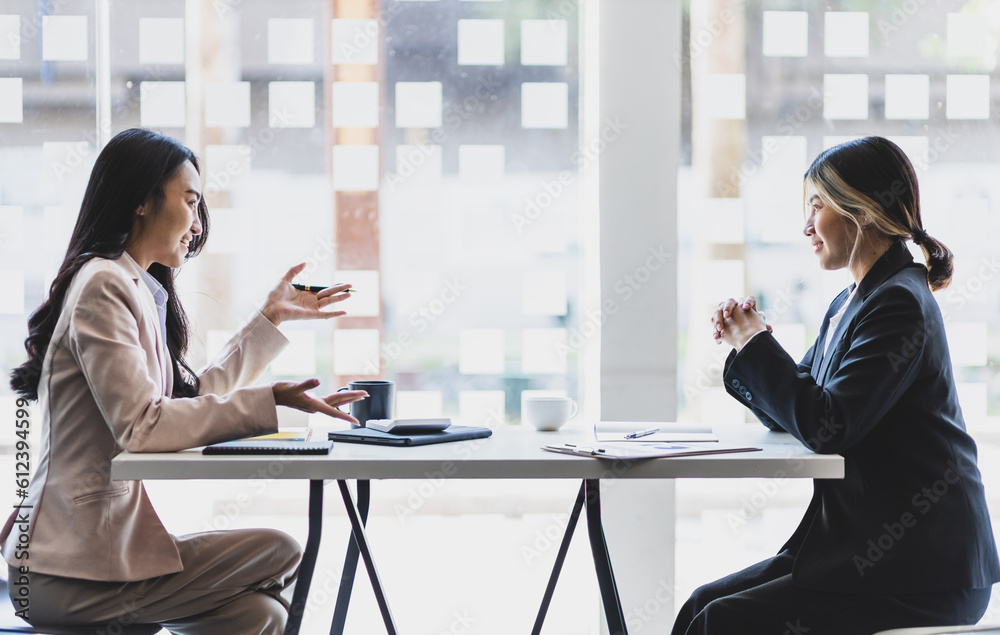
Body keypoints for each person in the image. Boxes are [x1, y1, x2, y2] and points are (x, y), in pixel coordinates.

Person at [3, 128, 368, 634]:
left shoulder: (130, 284)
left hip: (92, 561)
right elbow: (144, 427)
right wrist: (269, 403)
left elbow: (186, 401)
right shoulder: (104, 283)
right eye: (190, 202)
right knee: (280, 550)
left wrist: (270, 320)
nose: (197, 224)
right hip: (63, 571)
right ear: (141, 202)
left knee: (255, 616)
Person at [673, 136, 1000, 634]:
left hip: (923, 569)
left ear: (863, 211)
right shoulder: (854, 301)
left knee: (721, 621)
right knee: (703, 603)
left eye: (817, 206)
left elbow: (826, 426)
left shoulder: (899, 304)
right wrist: (749, 346)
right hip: (871, 555)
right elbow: (796, 408)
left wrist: (757, 342)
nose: (806, 226)